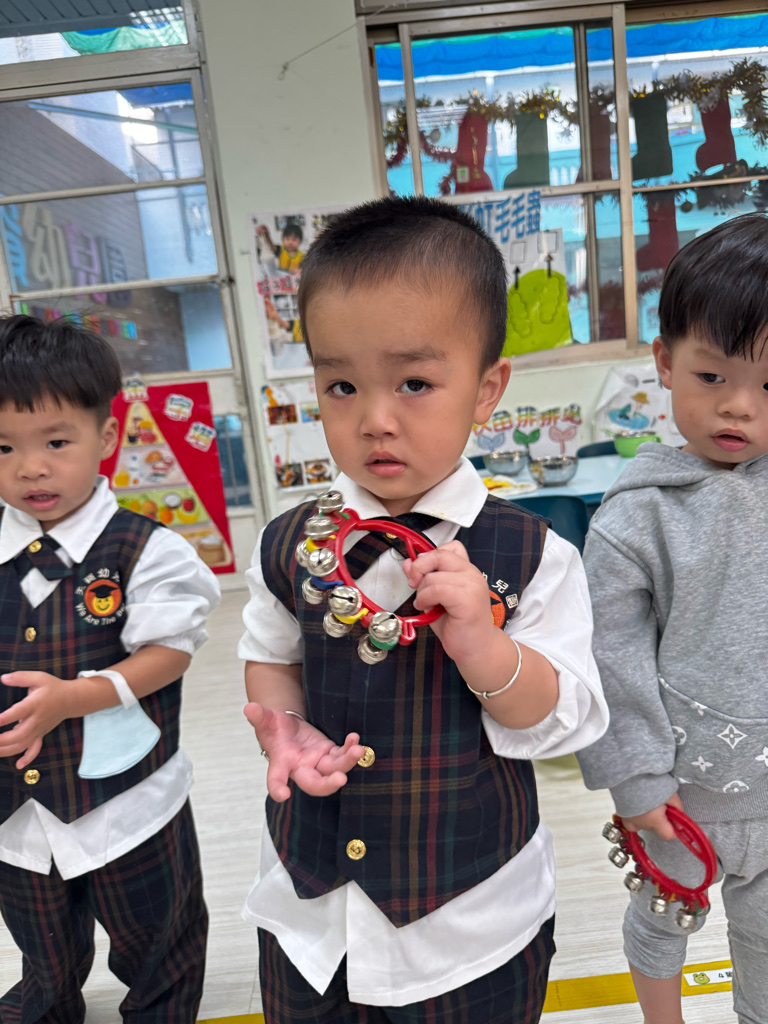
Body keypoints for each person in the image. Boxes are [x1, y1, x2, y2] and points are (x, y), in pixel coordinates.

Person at [239, 195, 608, 1023]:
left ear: (486, 389)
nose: (375, 420)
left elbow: (562, 719)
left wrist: (484, 646)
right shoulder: (288, 543)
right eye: (341, 385)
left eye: (414, 383)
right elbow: (270, 655)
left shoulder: (534, 555)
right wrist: (284, 725)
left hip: (470, 924)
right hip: (310, 918)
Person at [0, 315, 220, 1023]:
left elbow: (171, 650)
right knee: (42, 945)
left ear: (107, 436)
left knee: (156, 939)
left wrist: (76, 697)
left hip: (127, 800)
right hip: (15, 813)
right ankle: (47, 1002)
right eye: (3, 447)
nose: (31, 468)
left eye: (56, 442)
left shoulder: (145, 549)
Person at [576, 213, 768, 1024]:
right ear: (664, 362)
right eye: (712, 376)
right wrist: (637, 783)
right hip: (677, 795)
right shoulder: (636, 517)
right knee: (663, 918)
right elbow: (610, 656)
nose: (740, 408)